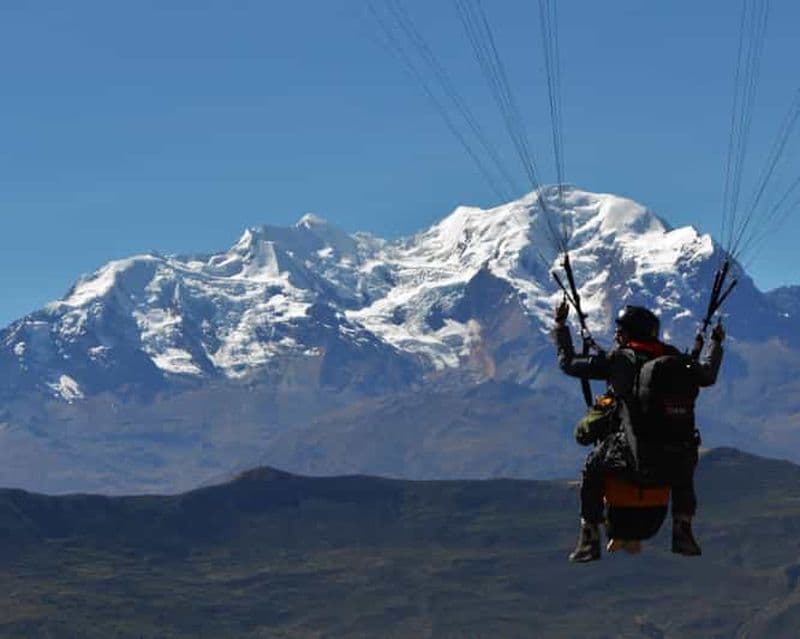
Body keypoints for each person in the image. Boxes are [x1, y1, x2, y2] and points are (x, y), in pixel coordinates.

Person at [553, 301, 725, 562]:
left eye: (619, 332)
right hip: (675, 455)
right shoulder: (676, 359)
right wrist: (715, 343)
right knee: (683, 466)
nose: (616, 337)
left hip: (630, 453)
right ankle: (683, 528)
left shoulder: (618, 360)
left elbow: (568, 363)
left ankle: (589, 537)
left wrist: (560, 327)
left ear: (626, 334)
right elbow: (708, 375)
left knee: (592, 468)